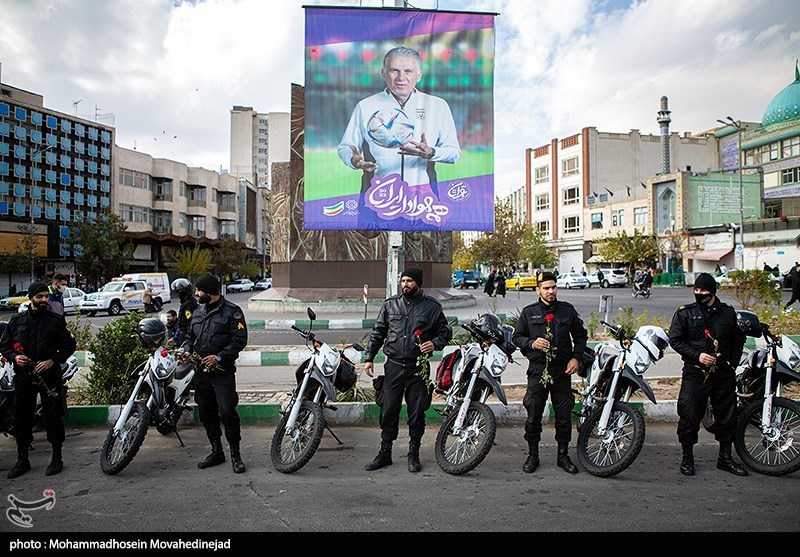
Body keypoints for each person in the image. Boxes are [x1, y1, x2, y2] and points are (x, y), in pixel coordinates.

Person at [338, 46, 461, 196]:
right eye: (394, 70)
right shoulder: (365, 106)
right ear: (384, 73)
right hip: (376, 197)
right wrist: (353, 160)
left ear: (419, 75)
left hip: (423, 201)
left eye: (408, 71)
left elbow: (454, 153)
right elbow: (346, 147)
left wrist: (431, 152)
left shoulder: (438, 106)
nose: (401, 77)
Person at [363, 267, 452, 473]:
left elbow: (445, 332)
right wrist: (369, 358)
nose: (405, 284)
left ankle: (414, 454)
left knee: (417, 412)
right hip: (393, 365)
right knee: (388, 409)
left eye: (410, 281)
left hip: (417, 368)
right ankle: (384, 453)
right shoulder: (390, 305)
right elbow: (378, 332)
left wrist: (434, 343)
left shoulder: (432, 307)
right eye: (403, 280)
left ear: (418, 283)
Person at [668, 273, 748, 477]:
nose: (699, 294)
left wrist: (732, 364)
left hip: (723, 373)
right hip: (695, 373)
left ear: (712, 291)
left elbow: (738, 339)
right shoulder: (685, 313)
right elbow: (675, 340)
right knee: (689, 416)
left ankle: (725, 458)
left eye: (703, 290)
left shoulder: (727, 313)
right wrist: (698, 355)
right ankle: (687, 458)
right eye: (696, 290)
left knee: (727, 416)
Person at [512, 271, 588, 474]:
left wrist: (576, 358)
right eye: (546, 288)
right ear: (538, 290)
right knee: (534, 414)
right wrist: (532, 342)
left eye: (553, 287)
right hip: (538, 371)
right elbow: (517, 337)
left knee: (563, 416)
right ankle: (533, 455)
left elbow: (581, 337)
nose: (550, 291)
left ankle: (563, 455)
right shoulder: (529, 312)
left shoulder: (567, 311)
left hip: (562, 371)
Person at [0, 282, 77, 478]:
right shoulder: (16, 321)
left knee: (53, 417)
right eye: (40, 296)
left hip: (49, 376)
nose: (44, 300)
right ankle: (22, 460)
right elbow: (5, 346)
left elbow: (69, 346)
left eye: (46, 297)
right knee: (21, 417)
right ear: (31, 297)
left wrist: (53, 361)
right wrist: (14, 358)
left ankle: (56, 459)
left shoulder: (55, 321)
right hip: (24, 377)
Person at [183, 274, 248, 474]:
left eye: (199, 290)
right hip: (201, 373)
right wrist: (186, 349)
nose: (196, 293)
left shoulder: (232, 312)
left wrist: (218, 357)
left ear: (209, 291)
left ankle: (235, 455)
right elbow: (189, 337)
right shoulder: (198, 312)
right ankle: (216, 451)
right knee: (206, 412)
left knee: (227, 412)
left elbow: (239, 341)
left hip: (222, 373)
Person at [171, 278, 199, 345]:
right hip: (184, 333)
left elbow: (190, 321)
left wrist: (188, 336)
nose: (179, 294)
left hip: (186, 335)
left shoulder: (188, 304)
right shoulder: (186, 302)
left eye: (180, 292)